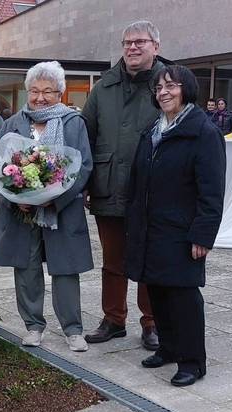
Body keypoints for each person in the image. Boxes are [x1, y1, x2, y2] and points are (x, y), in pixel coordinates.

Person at [126, 65, 226, 387]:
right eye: (158, 88)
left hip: (182, 231)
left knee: (183, 297)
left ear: (187, 89)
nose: (163, 92)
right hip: (152, 228)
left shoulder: (203, 133)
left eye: (171, 86)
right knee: (157, 290)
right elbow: (138, 181)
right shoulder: (153, 131)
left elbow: (212, 191)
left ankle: (193, 361)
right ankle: (168, 348)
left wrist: (203, 234)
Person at [0, 61, 94, 352]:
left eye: (48, 91)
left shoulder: (73, 123)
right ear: (27, 92)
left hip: (61, 209)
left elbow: (82, 166)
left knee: (65, 268)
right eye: (34, 91)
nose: (40, 97)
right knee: (27, 266)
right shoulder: (13, 123)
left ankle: (73, 329)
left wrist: (53, 198)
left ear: (60, 93)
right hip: (21, 214)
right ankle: (33, 326)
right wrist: (16, 196)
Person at [81, 20, 166, 350]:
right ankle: (114, 319)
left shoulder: (167, 84)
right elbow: (85, 136)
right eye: (127, 42)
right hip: (108, 185)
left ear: (155, 47)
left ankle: (152, 322)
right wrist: (84, 183)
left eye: (140, 42)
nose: (132, 47)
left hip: (151, 190)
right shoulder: (103, 87)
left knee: (148, 258)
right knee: (113, 260)